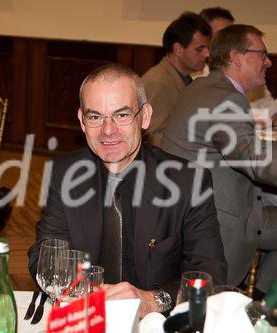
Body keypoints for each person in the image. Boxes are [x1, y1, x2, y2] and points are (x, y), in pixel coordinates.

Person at [27, 63, 227, 318]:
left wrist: (152, 300)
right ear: (82, 121)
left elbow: (211, 275)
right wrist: (80, 290)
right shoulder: (63, 174)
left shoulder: (189, 181)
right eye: (95, 116)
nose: (108, 130)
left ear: (144, 116)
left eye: (121, 115)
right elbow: (44, 253)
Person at [160, 24, 277, 297]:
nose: (268, 61)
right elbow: (256, 161)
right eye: (263, 54)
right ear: (237, 57)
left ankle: (254, 297)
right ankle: (258, 301)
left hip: (186, 205)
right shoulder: (227, 98)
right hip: (216, 220)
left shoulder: (204, 86)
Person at [142, 12, 211, 146]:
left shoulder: (181, 77)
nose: (207, 54)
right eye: (199, 49)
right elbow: (152, 138)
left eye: (207, 48)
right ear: (178, 49)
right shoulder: (158, 82)